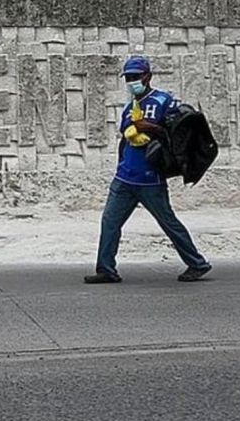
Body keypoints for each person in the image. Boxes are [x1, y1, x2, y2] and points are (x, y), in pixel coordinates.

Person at [84, 56, 212, 284]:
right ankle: (106, 269)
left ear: (147, 76)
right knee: (109, 222)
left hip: (150, 179)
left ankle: (197, 263)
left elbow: (177, 135)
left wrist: (151, 127)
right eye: (128, 78)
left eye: (135, 77)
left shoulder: (164, 101)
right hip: (125, 177)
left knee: (168, 223)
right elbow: (125, 138)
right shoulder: (130, 106)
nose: (132, 81)